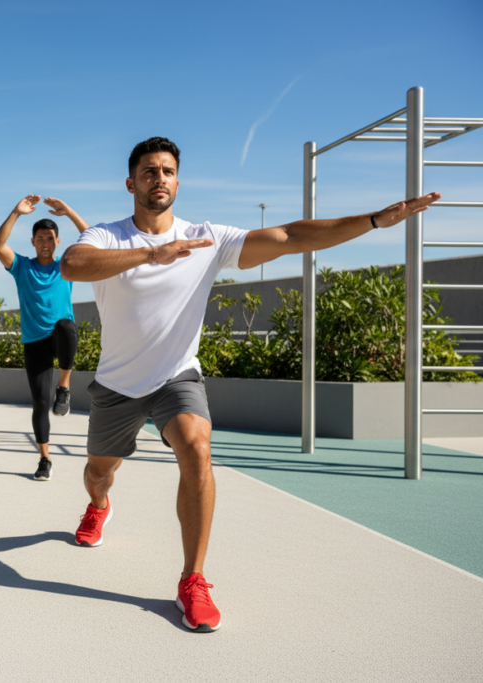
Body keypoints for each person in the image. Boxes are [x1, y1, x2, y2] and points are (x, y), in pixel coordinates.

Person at [60, 136, 441, 632]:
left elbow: (289, 236)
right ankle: (99, 506)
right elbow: (72, 264)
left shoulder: (206, 237)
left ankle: (192, 580)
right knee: (98, 473)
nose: (160, 178)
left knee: (197, 447)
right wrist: (153, 255)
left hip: (177, 376)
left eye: (168, 171)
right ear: (131, 182)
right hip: (117, 385)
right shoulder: (107, 236)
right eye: (150, 171)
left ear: (178, 181)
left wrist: (371, 221)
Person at [0, 195, 89, 481]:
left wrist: (69, 211)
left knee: (67, 326)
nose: (45, 242)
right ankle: (44, 458)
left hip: (59, 336)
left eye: (50, 237)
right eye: (40, 238)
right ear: (33, 242)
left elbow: (94, 240)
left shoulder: (66, 266)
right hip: (34, 342)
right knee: (40, 403)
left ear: (58, 242)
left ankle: (65, 386)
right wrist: (15, 212)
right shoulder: (22, 267)